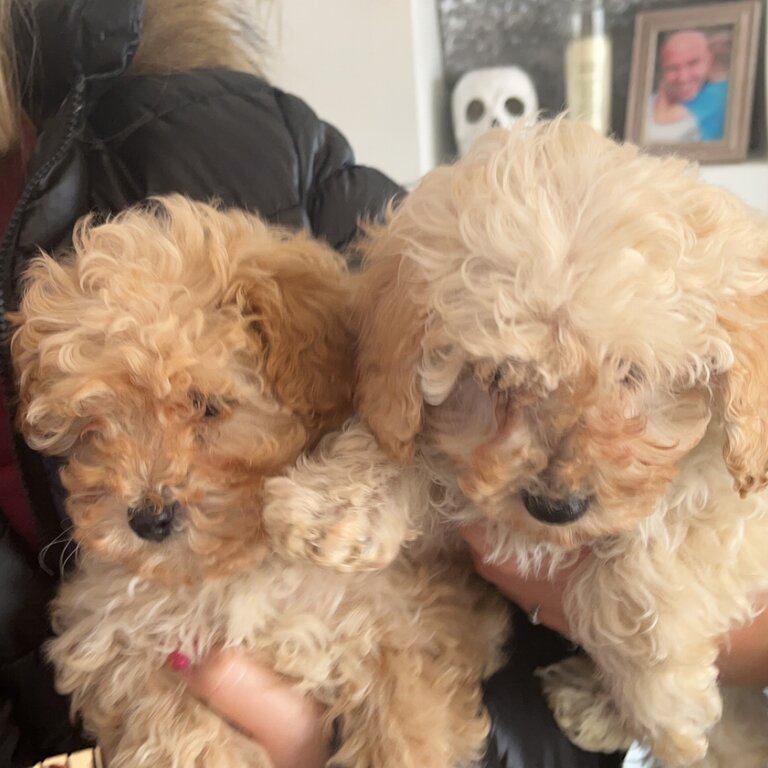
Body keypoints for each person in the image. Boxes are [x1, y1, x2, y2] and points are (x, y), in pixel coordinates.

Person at [0, 2, 620, 767]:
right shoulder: (114, 599)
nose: (146, 490)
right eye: (96, 425)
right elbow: (104, 661)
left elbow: (540, 658)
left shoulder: (239, 145)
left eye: (205, 409)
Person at [645, 29, 729, 144]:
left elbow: (660, 120)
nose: (683, 77)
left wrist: (664, 86)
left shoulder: (719, 92)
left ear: (709, 59)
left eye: (693, 63)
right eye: (672, 68)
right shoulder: (649, 101)